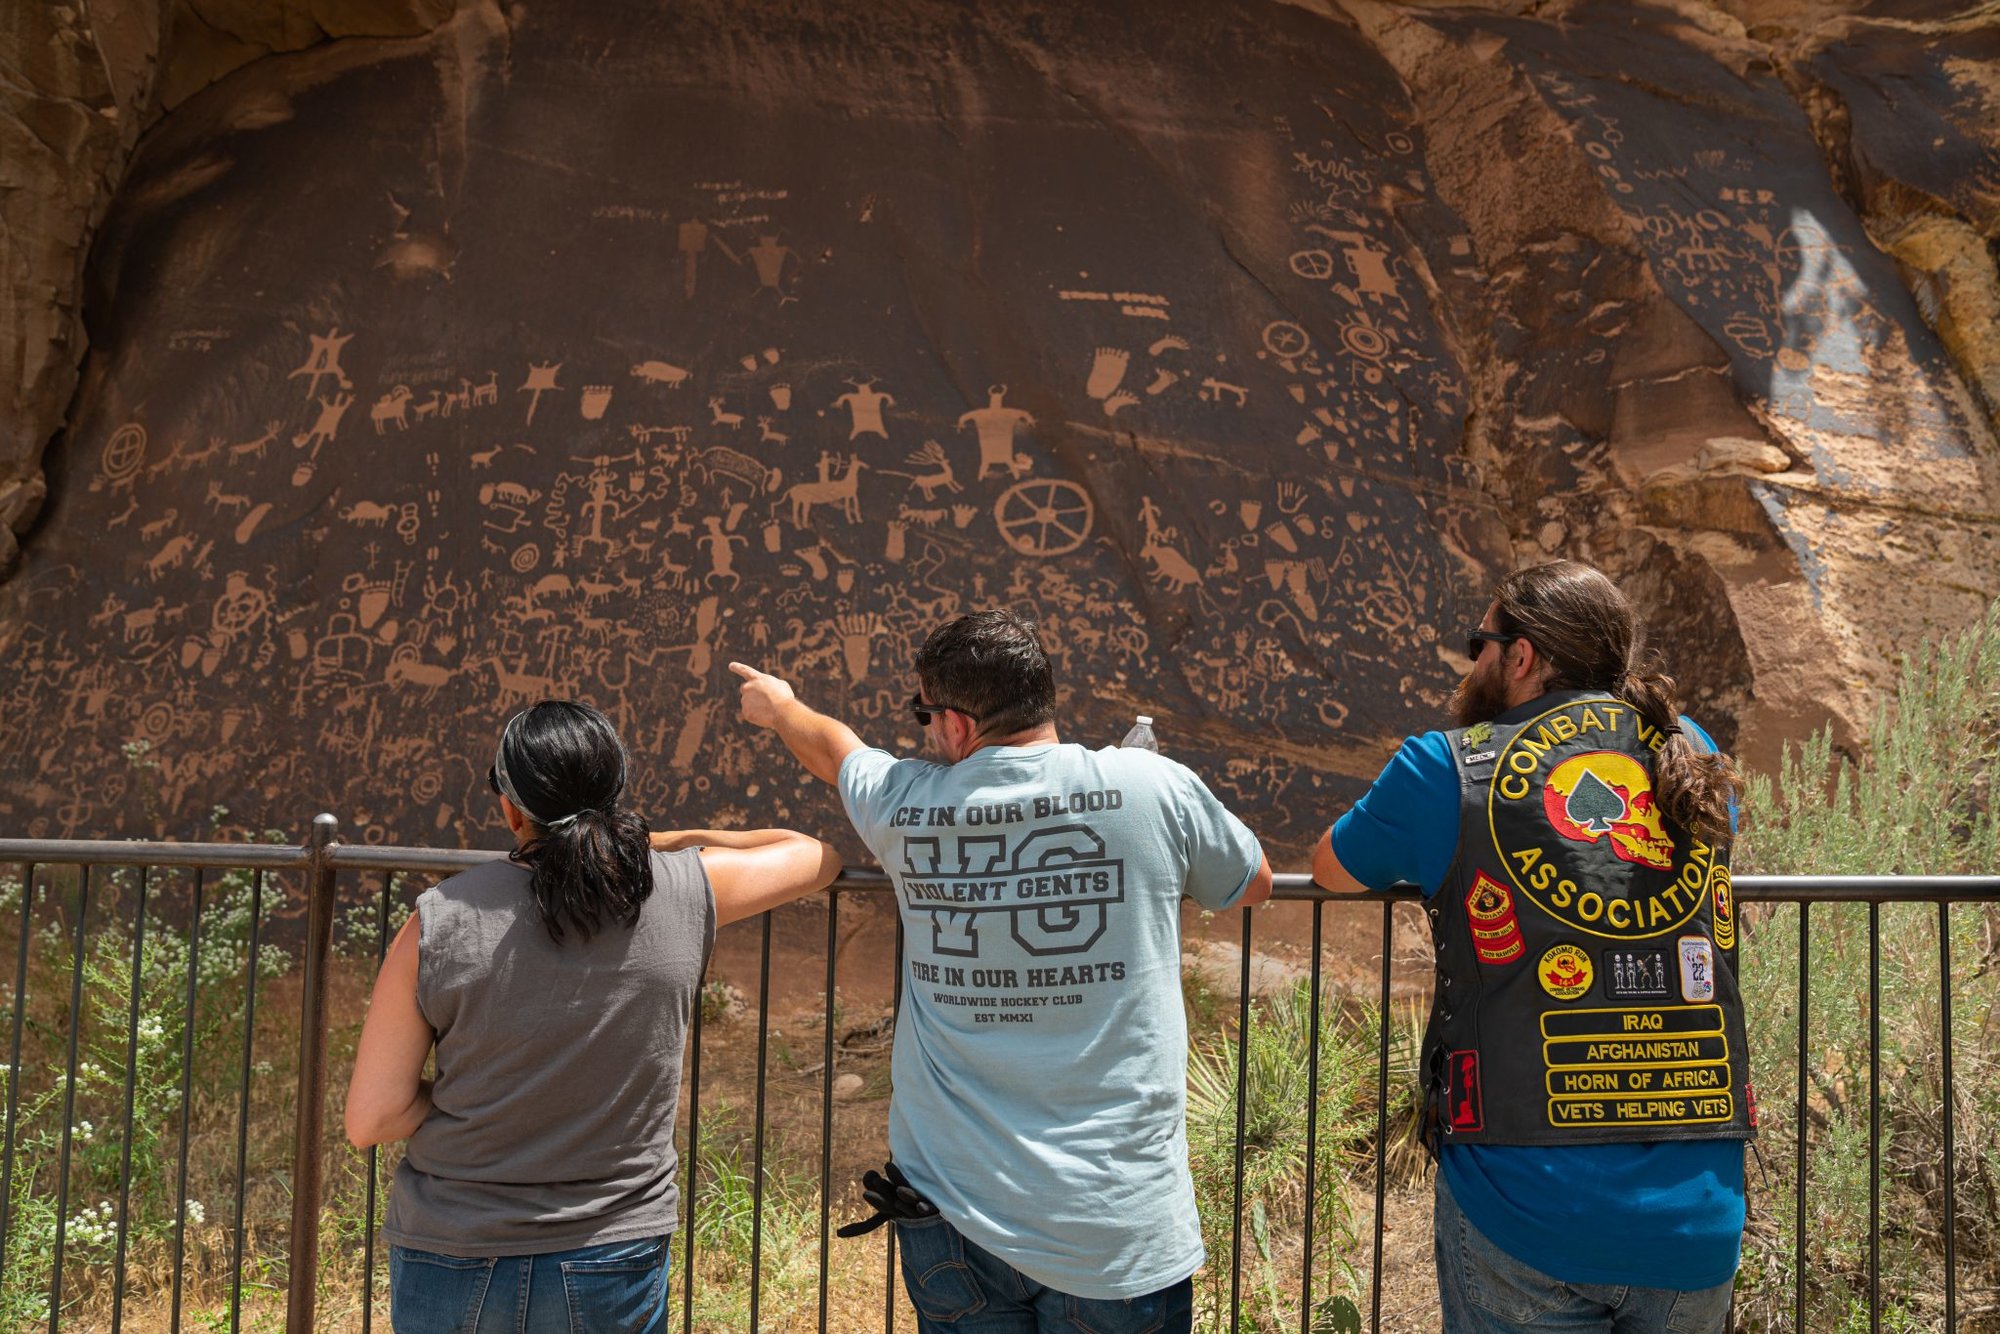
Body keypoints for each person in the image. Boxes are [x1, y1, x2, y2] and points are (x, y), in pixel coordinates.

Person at [730, 609, 1272, 1333]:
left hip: (953, 1213)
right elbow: (1254, 881)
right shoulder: (1151, 785)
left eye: (924, 716)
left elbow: (836, 749)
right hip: (1114, 1225)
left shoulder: (906, 803)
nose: (924, 732)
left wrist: (780, 706)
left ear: (955, 724)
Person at [1311, 561, 1751, 1333]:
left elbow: (1331, 868)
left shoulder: (1444, 765)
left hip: (1525, 1206)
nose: (1474, 661)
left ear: (1522, 657)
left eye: (1482, 643)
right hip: (1695, 1210)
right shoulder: (1691, 749)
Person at [345, 699, 841, 1333]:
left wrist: (465, 1101)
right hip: (611, 1249)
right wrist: (654, 843)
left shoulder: (438, 918)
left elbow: (371, 1118)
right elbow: (813, 855)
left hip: (453, 1250)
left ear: (509, 806)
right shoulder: (684, 890)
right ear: (617, 797)